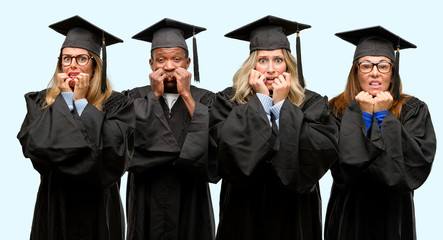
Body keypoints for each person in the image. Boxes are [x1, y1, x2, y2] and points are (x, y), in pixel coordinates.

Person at [209, 15, 339, 240]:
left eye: (278, 60)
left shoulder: (312, 103)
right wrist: (261, 102)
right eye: (263, 60)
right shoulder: (228, 101)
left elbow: (320, 153)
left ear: (288, 64)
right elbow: (224, 150)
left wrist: (281, 105)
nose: (271, 69)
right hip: (243, 210)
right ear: (252, 65)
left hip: (295, 210)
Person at [17, 15, 135, 240]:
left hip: (98, 209)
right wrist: (66, 100)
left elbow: (112, 159)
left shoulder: (117, 104)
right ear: (59, 62)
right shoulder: (42, 101)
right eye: (67, 58)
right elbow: (36, 149)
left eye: (82, 58)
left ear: (95, 63)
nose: (72, 65)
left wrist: (80, 102)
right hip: (54, 206)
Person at [325, 26, 436, 240]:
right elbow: (341, 169)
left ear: (392, 72)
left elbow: (415, 165)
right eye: (366, 65)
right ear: (355, 71)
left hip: (394, 213)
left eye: (383, 66)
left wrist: (384, 115)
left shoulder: (412, 109)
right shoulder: (336, 109)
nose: (375, 72)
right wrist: (365, 115)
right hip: (349, 213)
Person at [123, 18, 218, 240]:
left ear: (188, 62)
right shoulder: (134, 97)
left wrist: (186, 94)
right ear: (151, 64)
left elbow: (216, 143)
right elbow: (126, 144)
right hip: (146, 196)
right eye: (161, 60)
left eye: (176, 59)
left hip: (191, 196)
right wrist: (153, 95)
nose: (168, 66)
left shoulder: (205, 99)